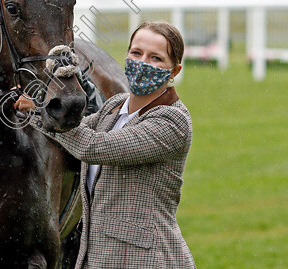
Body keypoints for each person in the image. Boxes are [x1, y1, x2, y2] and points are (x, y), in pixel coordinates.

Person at [16, 21, 196, 268]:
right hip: (98, 258)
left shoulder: (172, 121)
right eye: (136, 53)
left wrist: (39, 110)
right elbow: (69, 129)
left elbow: (91, 147)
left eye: (155, 58)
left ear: (174, 71)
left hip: (150, 260)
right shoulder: (115, 106)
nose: (142, 63)